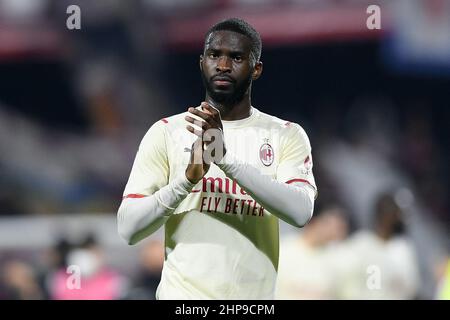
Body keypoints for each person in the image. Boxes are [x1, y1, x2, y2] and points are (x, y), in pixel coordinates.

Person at [117, 18, 317, 299]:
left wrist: (225, 159)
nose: (223, 65)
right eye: (214, 55)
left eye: (236, 57)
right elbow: (128, 229)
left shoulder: (284, 134)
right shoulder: (166, 132)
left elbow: (300, 212)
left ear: (256, 69)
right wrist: (186, 181)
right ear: (202, 62)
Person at [276, 203, 349, 299]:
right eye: (329, 224)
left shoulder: (339, 257)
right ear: (313, 222)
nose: (334, 231)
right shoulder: (283, 250)